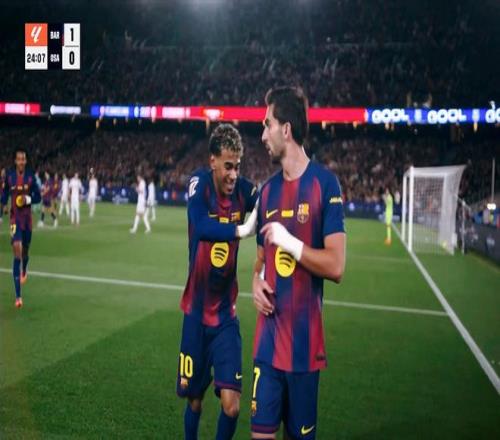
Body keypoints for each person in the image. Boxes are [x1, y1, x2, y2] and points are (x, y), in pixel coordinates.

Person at [251, 87, 346, 439]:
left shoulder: (325, 185)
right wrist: (255, 281)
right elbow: (260, 261)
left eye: (268, 124)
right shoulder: (266, 192)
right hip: (267, 345)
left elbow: (336, 266)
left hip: (304, 353)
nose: (263, 135)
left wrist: (290, 243)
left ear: (286, 129)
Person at [177, 123, 259, 440]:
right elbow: (200, 225)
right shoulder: (199, 184)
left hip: (225, 317)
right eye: (227, 166)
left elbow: (268, 202)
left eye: (237, 166)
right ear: (212, 160)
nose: (233, 174)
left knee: (232, 407)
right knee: (194, 400)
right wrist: (241, 230)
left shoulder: (243, 190)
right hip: (196, 315)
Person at [0, 148, 41, 308]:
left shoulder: (31, 176)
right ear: (15, 161)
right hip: (14, 220)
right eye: (19, 159)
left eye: (23, 159)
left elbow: (38, 197)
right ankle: (18, 296)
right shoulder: (10, 176)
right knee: (17, 249)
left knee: (25, 251)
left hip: (27, 220)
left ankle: (24, 268)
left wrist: (27, 199)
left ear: (26, 161)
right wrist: (3, 204)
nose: (21, 162)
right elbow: (4, 194)